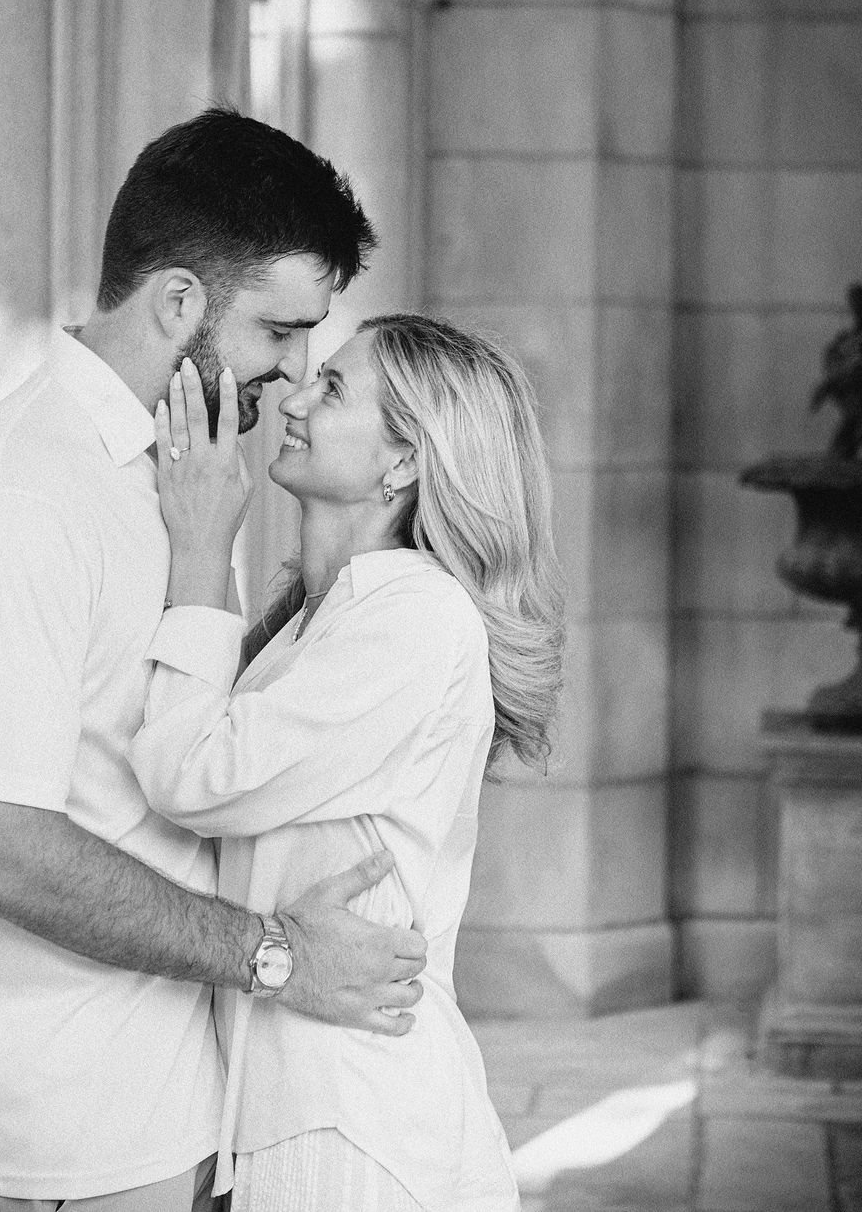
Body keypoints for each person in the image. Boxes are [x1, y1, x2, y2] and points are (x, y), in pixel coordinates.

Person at [0, 109, 429, 1212]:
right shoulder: (21, 493)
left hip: (156, 1115)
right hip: (41, 1138)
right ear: (179, 301)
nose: (296, 371)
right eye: (281, 332)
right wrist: (277, 955)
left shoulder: (179, 479)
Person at [129, 311, 566, 1212]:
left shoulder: (415, 617)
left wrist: (203, 547)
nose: (293, 397)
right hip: (302, 1108)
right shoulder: (315, 623)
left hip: (351, 1122)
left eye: (333, 389)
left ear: (403, 462)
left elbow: (191, 774)